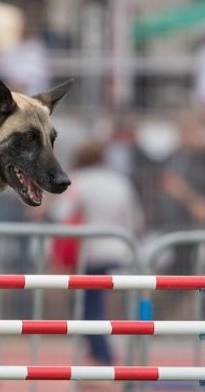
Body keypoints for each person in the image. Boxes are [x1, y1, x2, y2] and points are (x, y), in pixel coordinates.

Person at [51, 138, 144, 365]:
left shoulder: (77, 182)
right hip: (122, 250)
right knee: (115, 310)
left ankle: (103, 360)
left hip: (90, 255)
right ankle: (110, 356)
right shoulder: (119, 182)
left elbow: (62, 215)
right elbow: (136, 219)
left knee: (89, 310)